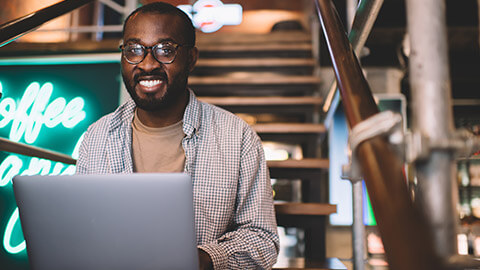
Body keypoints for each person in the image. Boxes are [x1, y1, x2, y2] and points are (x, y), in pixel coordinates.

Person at [75, 2, 279, 269]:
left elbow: (263, 240)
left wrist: (204, 259)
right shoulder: (97, 136)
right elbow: (81, 229)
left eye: (165, 50)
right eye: (134, 50)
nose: (148, 64)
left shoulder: (238, 138)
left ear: (191, 58)